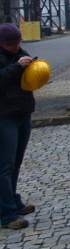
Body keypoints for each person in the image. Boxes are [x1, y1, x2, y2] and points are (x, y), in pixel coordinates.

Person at [0, 24, 35, 230]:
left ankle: (13, 201)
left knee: (15, 163)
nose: (15, 47)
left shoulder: (20, 53)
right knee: (5, 166)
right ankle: (7, 214)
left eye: (18, 43)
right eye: (11, 44)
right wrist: (17, 67)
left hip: (22, 112)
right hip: (5, 116)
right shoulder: (12, 59)